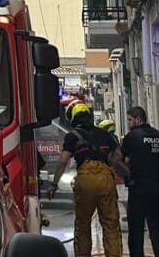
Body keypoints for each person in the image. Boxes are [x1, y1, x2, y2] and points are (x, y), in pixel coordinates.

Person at [48, 101, 123, 257]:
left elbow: (63, 161)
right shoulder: (105, 134)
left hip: (85, 179)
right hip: (105, 178)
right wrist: (109, 164)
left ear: (73, 118)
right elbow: (118, 155)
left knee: (83, 225)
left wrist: (54, 184)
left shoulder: (72, 136)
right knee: (110, 225)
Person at [121, 106, 159, 257]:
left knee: (136, 230)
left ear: (138, 119)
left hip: (139, 190)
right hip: (158, 189)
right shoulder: (158, 136)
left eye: (130, 120)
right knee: (158, 229)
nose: (129, 123)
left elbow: (119, 157)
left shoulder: (132, 136)